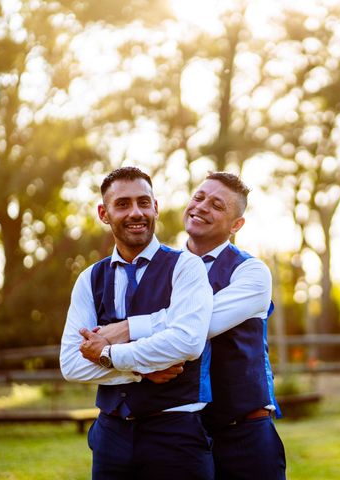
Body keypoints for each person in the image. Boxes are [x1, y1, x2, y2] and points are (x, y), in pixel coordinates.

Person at [98, 172, 286, 480]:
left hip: (243, 432)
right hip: (184, 431)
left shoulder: (252, 273)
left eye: (216, 205)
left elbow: (196, 327)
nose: (201, 207)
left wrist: (128, 328)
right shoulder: (164, 268)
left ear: (236, 225)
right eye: (198, 198)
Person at [59, 166, 214, 480]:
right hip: (111, 435)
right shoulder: (90, 278)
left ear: (155, 207)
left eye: (144, 202)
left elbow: (187, 342)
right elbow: (72, 362)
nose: (136, 213)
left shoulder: (186, 267)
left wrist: (109, 354)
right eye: (123, 204)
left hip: (176, 436)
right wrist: (141, 368)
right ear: (104, 213)